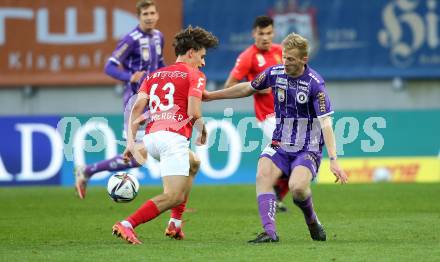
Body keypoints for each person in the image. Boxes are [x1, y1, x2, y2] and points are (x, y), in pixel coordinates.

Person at [203, 32, 348, 243]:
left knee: (297, 189)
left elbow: (326, 123)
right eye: (284, 57)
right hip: (280, 143)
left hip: (307, 148)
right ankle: (270, 232)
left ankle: (312, 220)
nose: (285, 62)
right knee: (263, 175)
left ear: (303, 59)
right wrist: (211, 96)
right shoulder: (275, 73)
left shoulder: (315, 84)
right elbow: (248, 87)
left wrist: (334, 160)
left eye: (291, 59)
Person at [74, 0, 198, 201]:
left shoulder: (159, 37)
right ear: (139, 17)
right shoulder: (131, 39)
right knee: (136, 158)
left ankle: (173, 198)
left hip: (156, 100)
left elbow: (159, 64)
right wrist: (129, 77)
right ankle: (87, 170)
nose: (149, 17)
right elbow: (110, 66)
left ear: (157, 15)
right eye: (145, 14)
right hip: (136, 102)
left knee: (166, 143)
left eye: (152, 13)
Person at [111, 25, 219, 244]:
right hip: (172, 140)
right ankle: (127, 224)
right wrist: (204, 130)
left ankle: (175, 224)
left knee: (193, 163)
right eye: (202, 55)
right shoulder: (195, 75)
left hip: (151, 138)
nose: (203, 62)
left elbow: (136, 109)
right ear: (191, 52)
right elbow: (193, 112)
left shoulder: (154, 76)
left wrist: (132, 142)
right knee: (174, 196)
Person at [224, 15, 289, 212]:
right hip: (268, 116)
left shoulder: (280, 52)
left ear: (274, 33)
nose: (265, 37)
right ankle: (273, 191)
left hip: (288, 114)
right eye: (261, 34)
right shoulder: (248, 57)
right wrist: (256, 88)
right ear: (254, 34)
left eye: (269, 33)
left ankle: (276, 193)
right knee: (291, 149)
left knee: (296, 153)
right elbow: (230, 85)